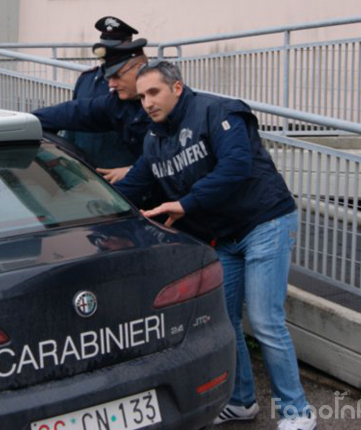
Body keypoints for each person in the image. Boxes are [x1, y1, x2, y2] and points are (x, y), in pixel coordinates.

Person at [115, 61, 316, 430]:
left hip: (265, 223)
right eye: (142, 95)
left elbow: (236, 166)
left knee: (265, 321)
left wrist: (186, 203)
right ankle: (241, 401)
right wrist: (88, 205)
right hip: (226, 237)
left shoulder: (217, 111)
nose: (147, 102)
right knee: (224, 322)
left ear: (177, 87)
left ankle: (297, 411)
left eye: (154, 92)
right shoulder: (155, 140)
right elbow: (131, 187)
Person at [32, 24, 151, 184]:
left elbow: (170, 154)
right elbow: (74, 113)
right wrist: (25, 121)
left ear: (139, 68)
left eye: (117, 76)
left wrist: (133, 170)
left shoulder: (171, 101)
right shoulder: (116, 103)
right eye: (109, 78)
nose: (111, 85)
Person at [65, 16, 140, 170]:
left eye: (116, 48)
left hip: (121, 175)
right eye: (107, 48)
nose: (109, 53)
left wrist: (133, 169)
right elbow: (72, 126)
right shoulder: (86, 79)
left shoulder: (139, 82)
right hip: (85, 174)